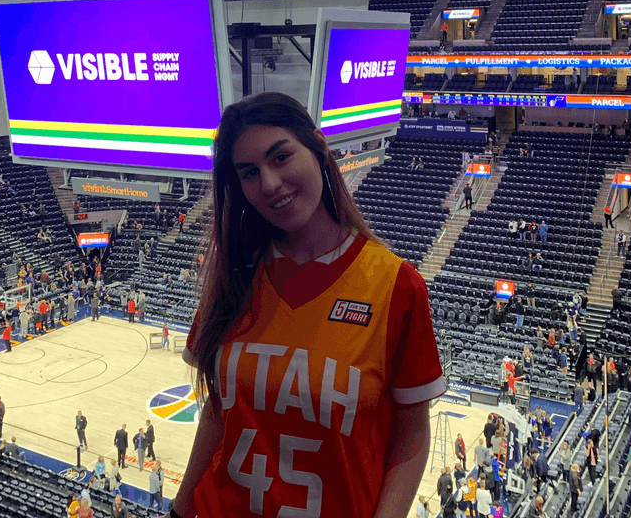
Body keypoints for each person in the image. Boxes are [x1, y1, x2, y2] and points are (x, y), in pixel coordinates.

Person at [174, 93, 444, 518]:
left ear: (318, 147)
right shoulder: (233, 277)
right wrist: (179, 508)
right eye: (249, 173)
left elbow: (410, 441)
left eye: (280, 157)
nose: (268, 184)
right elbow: (218, 412)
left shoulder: (396, 286)